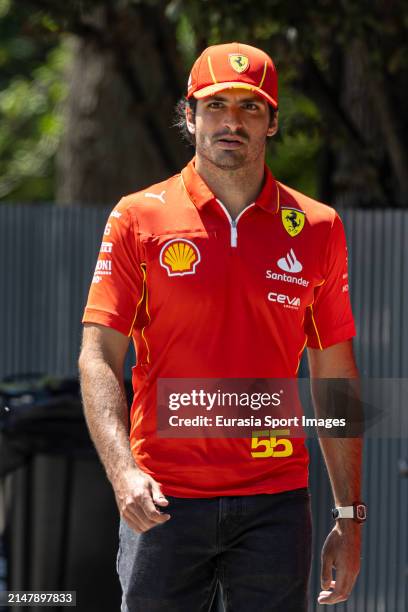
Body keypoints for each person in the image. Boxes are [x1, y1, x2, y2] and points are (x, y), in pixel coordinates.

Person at [79, 42, 365, 611]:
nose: (231, 121)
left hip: (276, 504)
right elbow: (98, 356)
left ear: (272, 122)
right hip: (163, 500)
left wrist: (349, 515)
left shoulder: (317, 228)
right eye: (216, 105)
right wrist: (123, 474)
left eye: (250, 107)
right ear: (190, 116)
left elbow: (335, 376)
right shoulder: (139, 216)